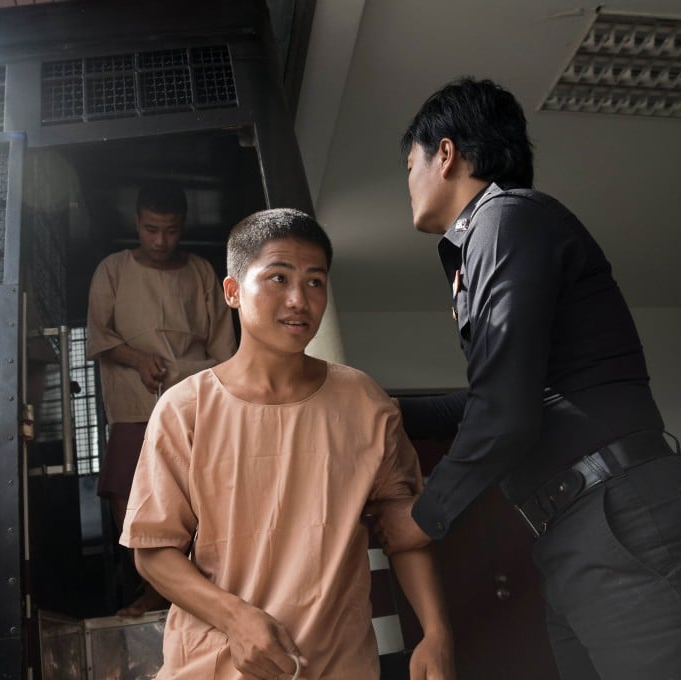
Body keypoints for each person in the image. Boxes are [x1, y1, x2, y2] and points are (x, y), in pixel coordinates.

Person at [367, 77, 681, 679]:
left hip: (627, 521)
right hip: (580, 532)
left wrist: (424, 517)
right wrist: (372, 406)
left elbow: (504, 413)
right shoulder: (493, 234)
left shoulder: (504, 218)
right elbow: (493, 400)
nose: (409, 183)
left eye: (409, 165)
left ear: (444, 154)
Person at [120, 208, 455, 679]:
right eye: (278, 278)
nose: (299, 299)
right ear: (233, 291)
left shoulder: (364, 402)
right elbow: (153, 550)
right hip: (214, 666)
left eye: (315, 282)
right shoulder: (185, 410)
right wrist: (235, 618)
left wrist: (436, 633)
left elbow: (403, 530)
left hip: (339, 666)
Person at [86, 181, 237, 616]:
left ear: (183, 227)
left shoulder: (202, 272)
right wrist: (134, 358)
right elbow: (98, 336)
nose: (160, 240)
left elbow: (224, 349)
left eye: (170, 230)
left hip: (195, 403)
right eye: (151, 229)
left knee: (197, 496)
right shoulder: (112, 270)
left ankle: (199, 586)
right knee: (126, 492)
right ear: (136, 222)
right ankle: (156, 586)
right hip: (134, 405)